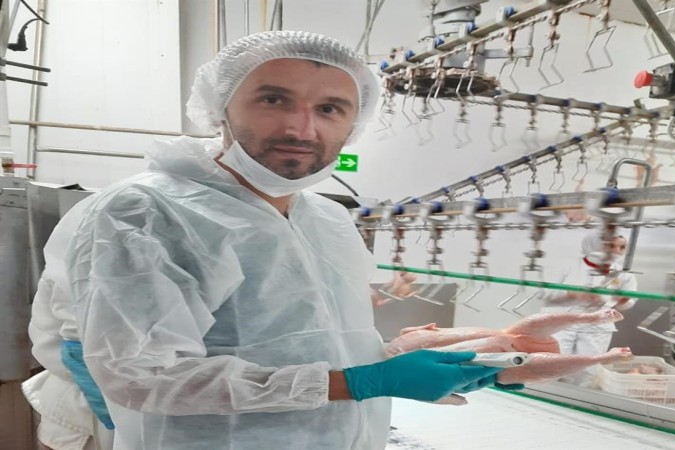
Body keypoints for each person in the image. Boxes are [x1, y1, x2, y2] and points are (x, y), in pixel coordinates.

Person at [22, 31, 505, 450]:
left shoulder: (328, 219)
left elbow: (325, 341)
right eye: (274, 100)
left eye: (329, 109)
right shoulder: (146, 212)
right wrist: (362, 382)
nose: (301, 128)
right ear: (220, 108)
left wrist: (417, 362)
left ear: (353, 124)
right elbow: (142, 377)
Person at [540, 232, 638, 387]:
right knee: (552, 363)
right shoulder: (566, 265)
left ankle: (577, 399)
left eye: (622, 247)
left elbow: (629, 302)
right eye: (611, 246)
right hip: (561, 322)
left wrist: (621, 300)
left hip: (596, 327)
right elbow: (544, 293)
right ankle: (547, 395)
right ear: (593, 245)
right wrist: (573, 294)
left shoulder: (624, 274)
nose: (617, 251)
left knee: (587, 369)